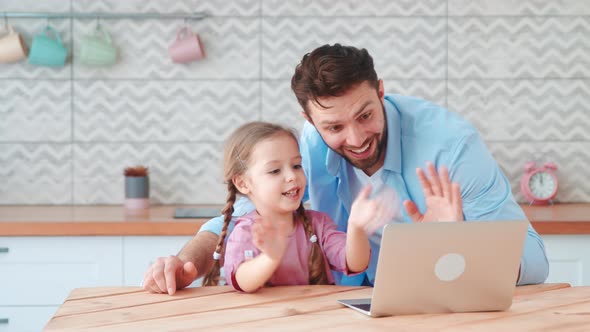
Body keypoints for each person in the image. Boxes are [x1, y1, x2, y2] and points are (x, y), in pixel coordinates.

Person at [143, 44, 549, 295]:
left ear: (381, 91)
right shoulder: (304, 146)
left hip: (433, 310)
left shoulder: (452, 147)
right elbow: (241, 218)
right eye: (334, 127)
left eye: (366, 114)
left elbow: (533, 258)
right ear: (309, 119)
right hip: (335, 311)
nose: (356, 138)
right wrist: (184, 264)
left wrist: (456, 242)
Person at [203, 121, 395, 292]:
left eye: (296, 166)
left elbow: (356, 263)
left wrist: (356, 227)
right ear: (243, 183)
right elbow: (243, 281)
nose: (292, 176)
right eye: (275, 170)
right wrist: (271, 257)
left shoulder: (318, 225)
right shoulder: (245, 231)